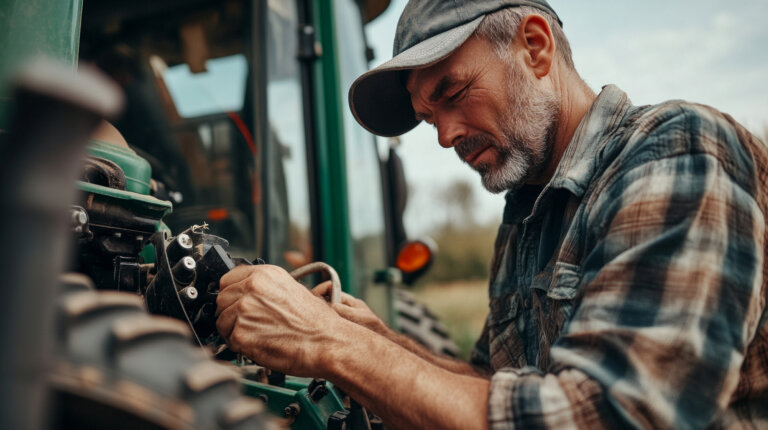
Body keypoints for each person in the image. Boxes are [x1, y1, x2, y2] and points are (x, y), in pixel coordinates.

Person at [216, 1, 768, 428]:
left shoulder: (677, 153)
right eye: (428, 116)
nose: (446, 135)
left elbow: (605, 414)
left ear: (535, 46)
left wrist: (331, 345)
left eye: (452, 92)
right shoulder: (527, 211)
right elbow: (500, 384)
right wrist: (380, 340)